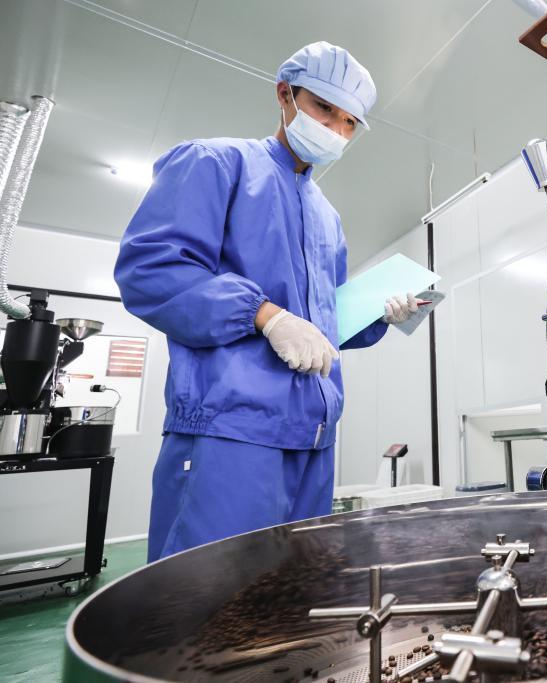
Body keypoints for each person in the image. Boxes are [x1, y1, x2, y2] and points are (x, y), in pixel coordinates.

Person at [114, 42, 419, 562]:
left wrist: (379, 315)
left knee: (289, 593)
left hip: (315, 439)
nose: (336, 129)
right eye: (324, 108)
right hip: (231, 432)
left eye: (349, 122)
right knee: (210, 592)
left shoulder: (326, 216)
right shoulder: (216, 163)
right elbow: (151, 270)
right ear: (285, 95)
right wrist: (265, 314)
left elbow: (320, 324)